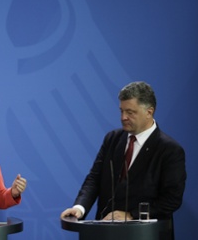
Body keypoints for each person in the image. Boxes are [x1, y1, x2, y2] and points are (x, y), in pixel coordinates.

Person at [60, 81, 186, 239]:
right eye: (121, 111)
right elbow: (94, 178)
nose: (123, 117)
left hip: (145, 235)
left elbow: (171, 199)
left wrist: (131, 215)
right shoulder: (112, 139)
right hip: (106, 233)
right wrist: (80, 207)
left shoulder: (170, 149)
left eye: (130, 112)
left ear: (149, 112)